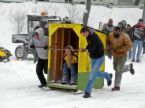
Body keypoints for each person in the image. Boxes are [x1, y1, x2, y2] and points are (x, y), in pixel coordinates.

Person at [80, 26, 112, 98]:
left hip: (99, 58)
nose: (83, 36)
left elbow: (92, 49)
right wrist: (85, 48)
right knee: (95, 73)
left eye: (83, 34)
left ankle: (87, 92)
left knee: (92, 76)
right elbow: (89, 46)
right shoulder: (88, 36)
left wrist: (86, 50)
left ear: (86, 32)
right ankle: (108, 76)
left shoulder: (94, 37)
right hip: (93, 57)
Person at [107, 26, 135, 91]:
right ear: (113, 31)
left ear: (120, 31)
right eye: (115, 31)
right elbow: (107, 41)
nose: (116, 32)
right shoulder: (110, 35)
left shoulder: (124, 36)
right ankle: (129, 67)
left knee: (118, 70)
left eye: (118, 31)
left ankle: (117, 85)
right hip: (115, 55)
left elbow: (129, 45)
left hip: (123, 55)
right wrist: (108, 47)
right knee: (115, 68)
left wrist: (121, 50)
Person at [29, 19, 49, 88]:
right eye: (35, 35)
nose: (35, 36)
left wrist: (48, 46)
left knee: (46, 71)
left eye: (37, 35)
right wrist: (31, 46)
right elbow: (30, 44)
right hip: (41, 58)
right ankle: (43, 83)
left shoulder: (47, 39)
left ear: (40, 34)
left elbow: (53, 45)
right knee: (38, 71)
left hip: (48, 58)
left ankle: (52, 82)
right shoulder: (34, 39)